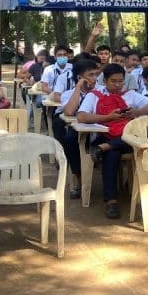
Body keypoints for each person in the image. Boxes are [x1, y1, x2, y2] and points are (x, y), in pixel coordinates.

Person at [76, 63, 148, 219]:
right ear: (105, 81)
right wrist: (108, 117)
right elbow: (81, 116)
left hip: (127, 138)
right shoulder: (94, 95)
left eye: (121, 81)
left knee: (134, 140)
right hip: (104, 136)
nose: (118, 85)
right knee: (112, 154)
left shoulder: (131, 95)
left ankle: (104, 149)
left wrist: (136, 112)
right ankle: (111, 200)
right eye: (114, 81)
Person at [57, 58, 102, 199]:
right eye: (91, 75)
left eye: (96, 74)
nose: (95, 78)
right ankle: (79, 177)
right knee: (70, 139)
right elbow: (69, 112)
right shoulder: (68, 94)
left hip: (100, 131)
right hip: (80, 132)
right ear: (80, 77)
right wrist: (78, 88)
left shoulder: (102, 91)